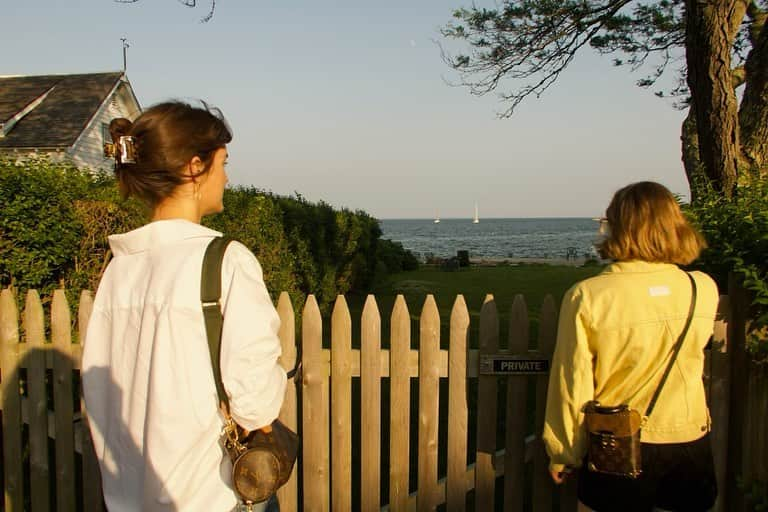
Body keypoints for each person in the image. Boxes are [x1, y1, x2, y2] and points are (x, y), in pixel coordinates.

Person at [82, 101, 287, 511]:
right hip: (211, 495)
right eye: (223, 162)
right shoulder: (225, 260)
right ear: (195, 167)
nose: (227, 177)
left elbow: (98, 391)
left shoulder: (119, 268)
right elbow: (253, 401)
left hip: (129, 496)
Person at [542, 181, 719, 512]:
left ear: (618, 227)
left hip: (617, 446)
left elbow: (572, 383)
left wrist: (563, 452)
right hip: (689, 441)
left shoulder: (589, 296)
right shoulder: (702, 288)